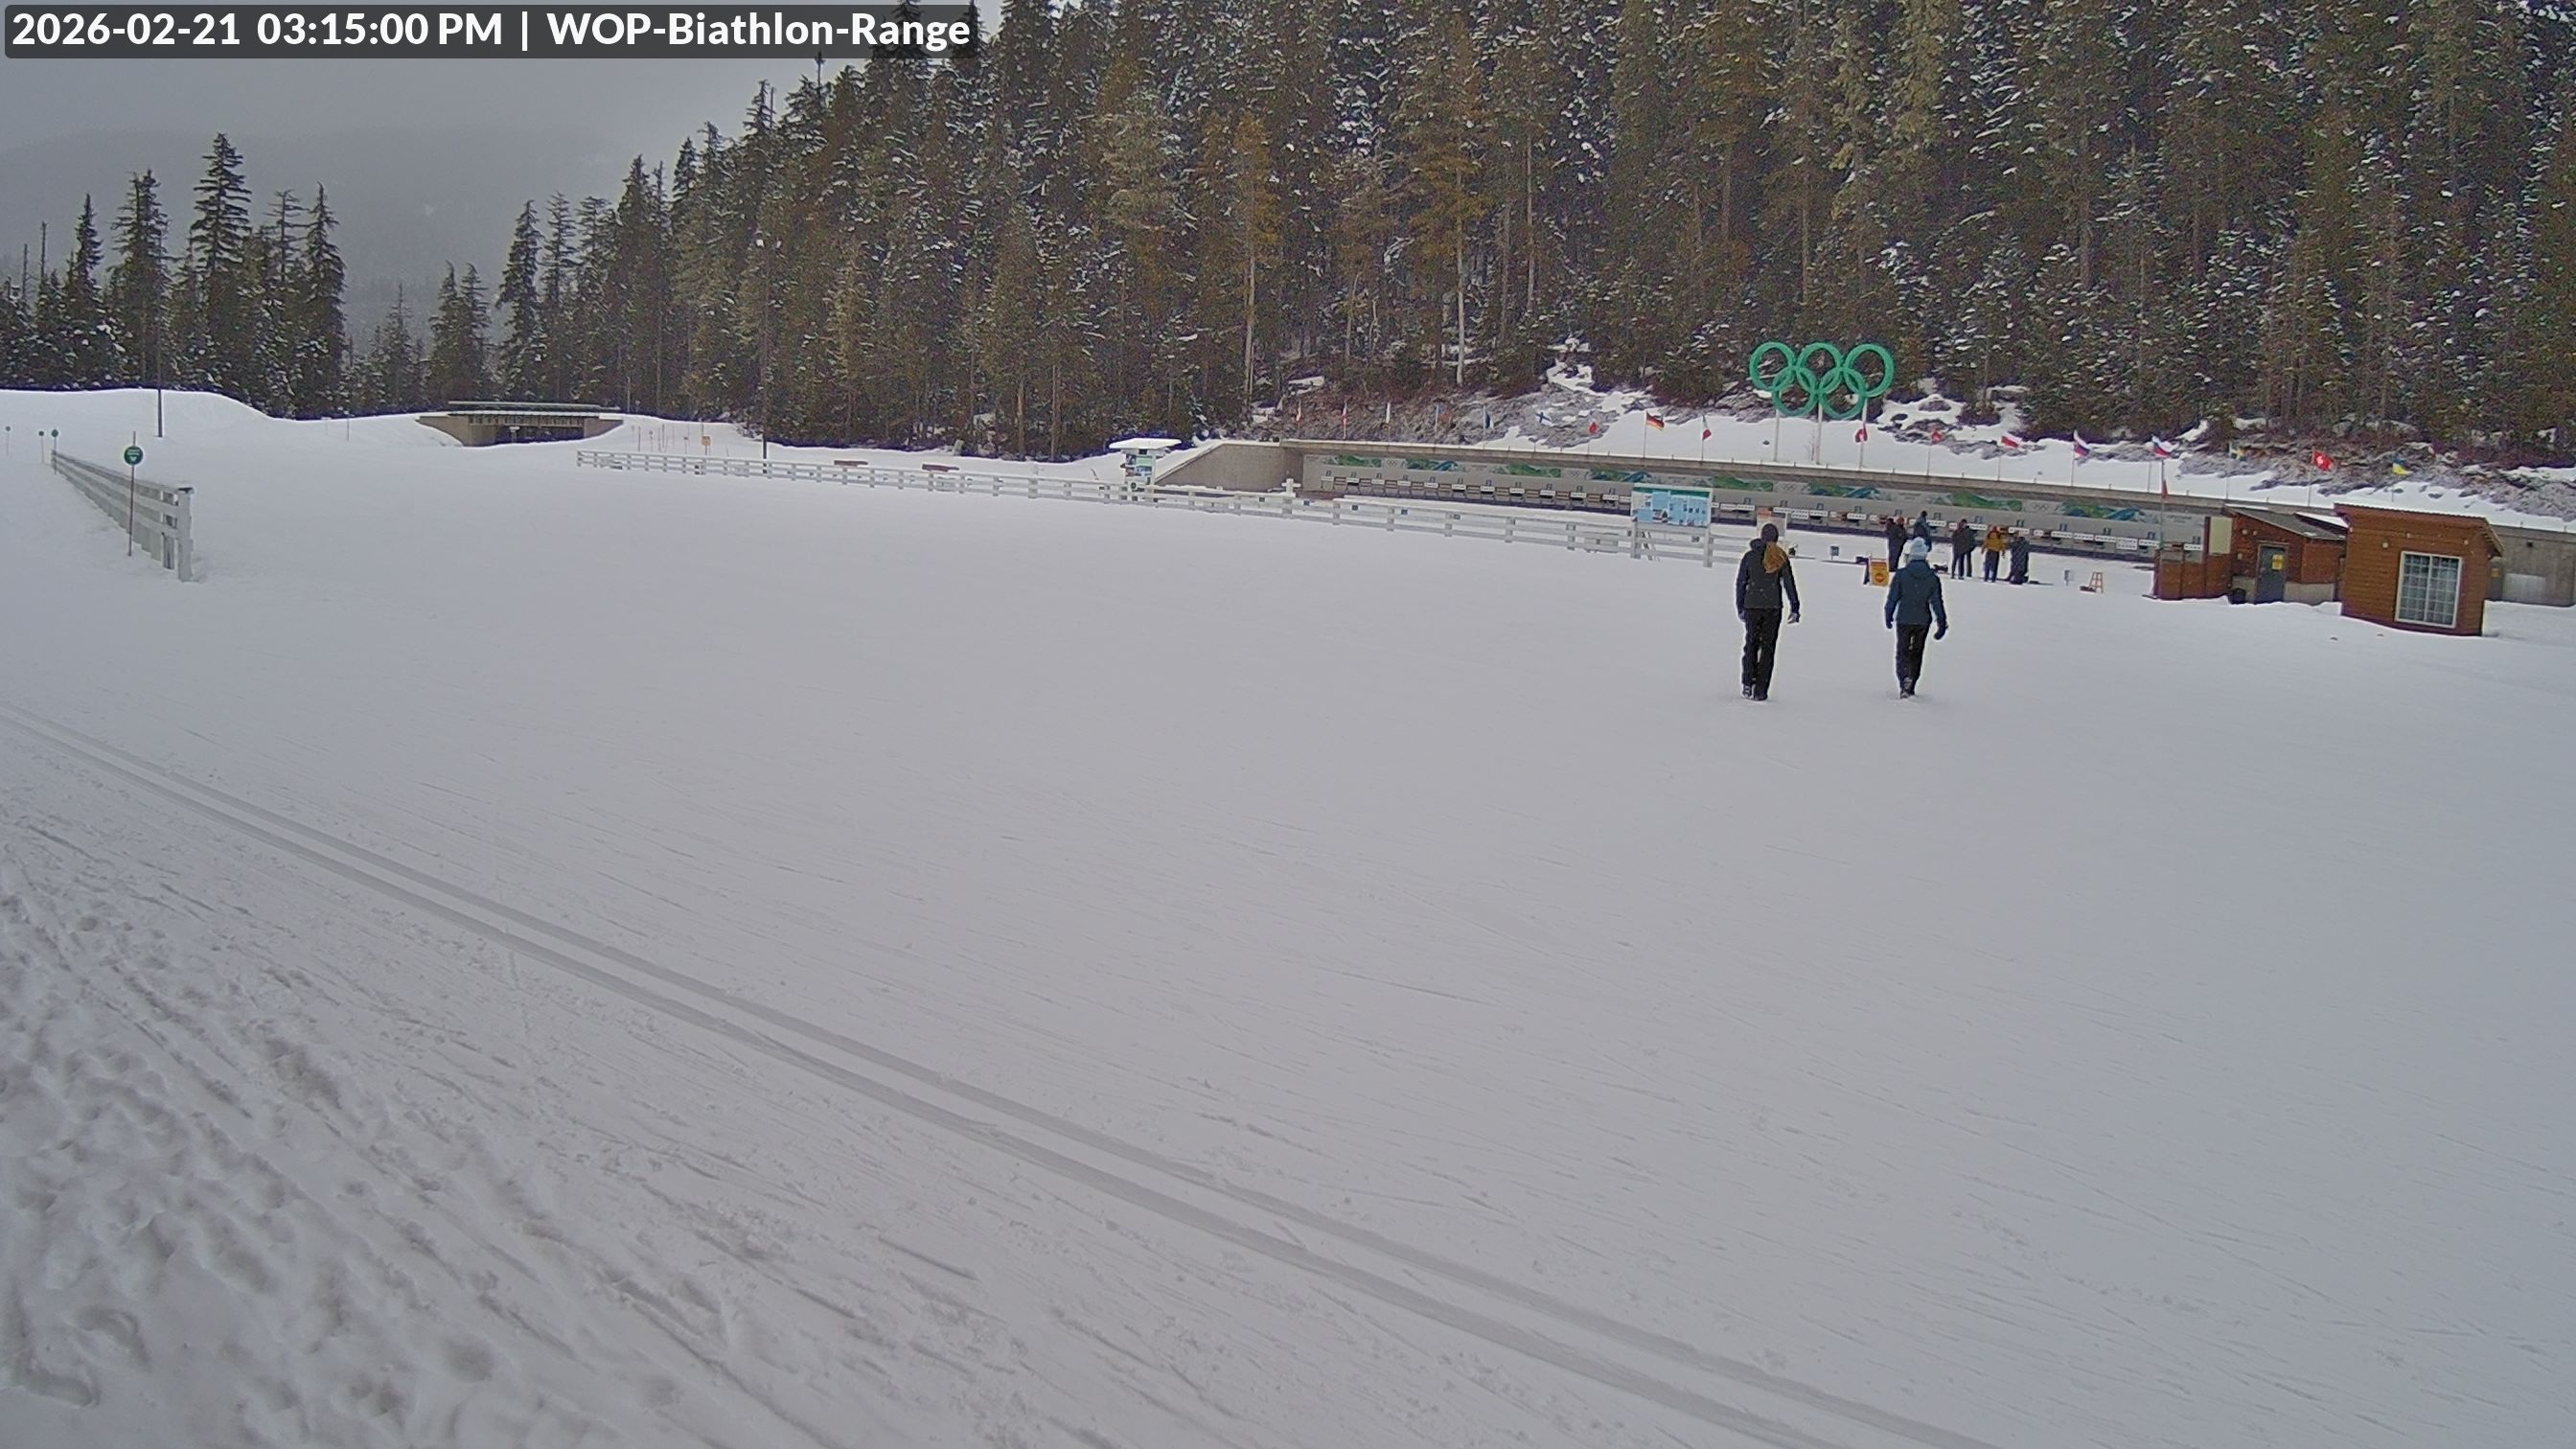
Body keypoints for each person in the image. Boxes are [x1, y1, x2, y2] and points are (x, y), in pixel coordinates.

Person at [1735, 523, 1801, 702]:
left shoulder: (1749, 556)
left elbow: (1741, 582)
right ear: (1776, 538)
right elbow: (1789, 583)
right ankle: (1761, 690)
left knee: (1751, 644)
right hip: (1772, 608)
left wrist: (1740, 605)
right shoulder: (1780, 557)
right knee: (1767, 649)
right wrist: (1795, 607)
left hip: (1752, 606)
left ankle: (1748, 682)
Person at [1884, 537, 1949, 698]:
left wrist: (1888, 614)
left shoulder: (1901, 575)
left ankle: (1904, 678)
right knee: (1917, 652)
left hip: (1904, 618)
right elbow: (1937, 602)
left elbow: (1893, 597)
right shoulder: (1932, 578)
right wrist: (1941, 623)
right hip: (1922, 620)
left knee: (1902, 651)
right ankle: (1912, 681)